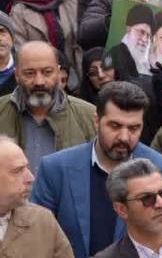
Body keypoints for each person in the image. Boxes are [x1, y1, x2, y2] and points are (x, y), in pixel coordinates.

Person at [31, 81, 162, 258]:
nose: (124, 137)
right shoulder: (55, 169)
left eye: (133, 128)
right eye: (115, 126)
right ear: (96, 121)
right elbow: (37, 238)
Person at [0, 41, 96, 175]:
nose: (39, 81)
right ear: (16, 75)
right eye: (29, 73)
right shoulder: (2, 110)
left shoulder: (89, 115)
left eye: (47, 72)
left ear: (58, 72)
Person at [9, 0, 81, 88]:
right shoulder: (20, 9)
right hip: (38, 80)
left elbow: (78, 44)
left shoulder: (70, 2)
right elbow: (20, 50)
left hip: (71, 80)